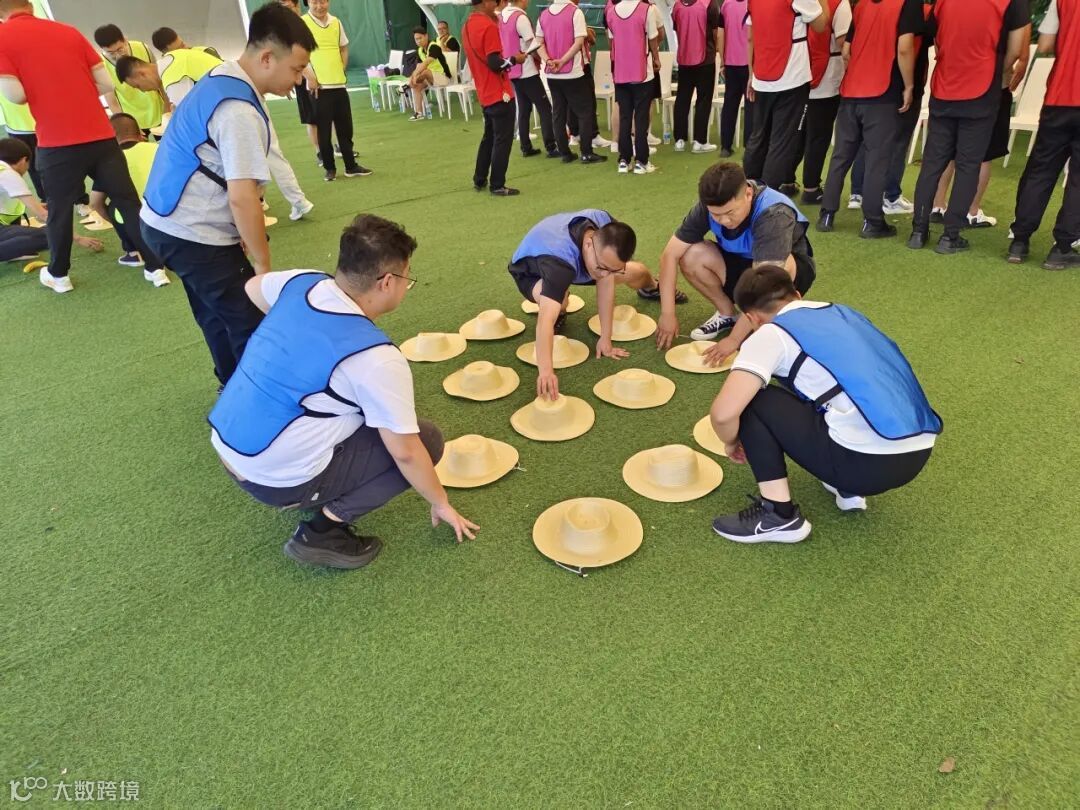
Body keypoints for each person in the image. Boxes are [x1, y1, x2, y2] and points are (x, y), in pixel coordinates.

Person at [209, 214, 478, 569]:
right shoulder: (376, 359)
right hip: (272, 479)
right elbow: (407, 454)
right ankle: (323, 530)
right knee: (426, 441)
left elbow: (253, 289)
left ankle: (309, 485)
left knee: (356, 407)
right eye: (407, 278)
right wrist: (440, 502)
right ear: (387, 282)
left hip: (227, 446)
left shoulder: (301, 282)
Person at [140, 3, 316, 385]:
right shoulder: (238, 109)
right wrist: (263, 267)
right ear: (267, 58)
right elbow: (242, 196)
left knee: (215, 313)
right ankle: (255, 403)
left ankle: (231, 384)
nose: (299, 79)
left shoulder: (223, 75)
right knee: (249, 317)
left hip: (164, 223)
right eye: (297, 69)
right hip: (190, 230)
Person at [708, 264, 941, 543]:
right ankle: (847, 489)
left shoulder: (769, 334)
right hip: (918, 453)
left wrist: (731, 441)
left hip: (866, 464)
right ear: (797, 295)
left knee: (754, 400)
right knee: (821, 385)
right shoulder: (844, 313)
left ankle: (778, 516)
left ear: (751, 318)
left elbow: (723, 414)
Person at [0, 0, 156, 294]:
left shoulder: (3, 37)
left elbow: (15, 95)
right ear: (30, 4)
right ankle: (155, 267)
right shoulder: (68, 31)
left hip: (57, 142)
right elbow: (105, 83)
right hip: (101, 136)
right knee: (127, 201)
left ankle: (59, 275)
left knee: (59, 211)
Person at [117, 52, 315, 223]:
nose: (144, 91)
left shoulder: (174, 79)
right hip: (244, 96)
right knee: (268, 152)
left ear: (141, 73)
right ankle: (295, 202)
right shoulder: (173, 58)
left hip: (236, 107)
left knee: (244, 160)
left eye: (138, 86)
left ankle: (259, 209)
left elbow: (189, 120)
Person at [509, 209, 678, 399]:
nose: (605, 274)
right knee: (557, 304)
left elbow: (606, 282)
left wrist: (606, 338)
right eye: (602, 267)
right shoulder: (559, 265)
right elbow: (544, 321)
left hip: (578, 259)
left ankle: (651, 286)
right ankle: (560, 300)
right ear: (589, 244)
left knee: (636, 272)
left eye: (613, 268)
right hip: (530, 271)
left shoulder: (605, 225)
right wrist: (546, 372)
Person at [655, 162, 816, 361]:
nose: (724, 221)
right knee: (691, 254)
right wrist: (667, 313)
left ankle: (768, 319)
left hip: (781, 278)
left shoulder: (774, 213)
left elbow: (765, 283)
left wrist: (734, 340)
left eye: (730, 212)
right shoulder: (708, 206)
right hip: (743, 264)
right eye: (716, 214)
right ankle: (728, 315)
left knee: (782, 268)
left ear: (748, 193)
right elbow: (670, 254)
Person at [907, 0, 1028, 254]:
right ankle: (950, 236)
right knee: (968, 165)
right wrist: (997, 70)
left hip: (945, 85)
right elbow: (1017, 48)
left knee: (932, 163)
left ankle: (918, 231)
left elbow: (936, 38)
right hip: (982, 89)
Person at [816, 0, 922, 239]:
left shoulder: (862, 5)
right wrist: (909, 85)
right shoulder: (907, 4)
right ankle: (872, 221)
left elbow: (846, 50)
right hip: (883, 93)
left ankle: (827, 215)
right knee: (877, 158)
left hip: (852, 91)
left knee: (841, 156)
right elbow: (905, 48)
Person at [1009, 0, 1079, 270]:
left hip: (1059, 97)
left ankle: (1020, 239)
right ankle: (1063, 246)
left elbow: (1046, 45)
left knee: (1040, 169)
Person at [849, 0, 934, 216]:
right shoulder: (918, 10)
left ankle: (858, 192)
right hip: (897, 84)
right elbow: (908, 47)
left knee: (868, 139)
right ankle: (890, 195)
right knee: (897, 140)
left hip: (870, 83)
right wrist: (910, 86)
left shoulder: (867, 6)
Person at [742, 0, 830, 189]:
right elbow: (821, 24)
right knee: (782, 144)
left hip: (762, 75)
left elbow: (750, 36)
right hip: (792, 77)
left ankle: (748, 191)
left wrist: (751, 73)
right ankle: (767, 196)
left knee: (759, 137)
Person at [85, 114, 168, 286]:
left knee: (114, 206)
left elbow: (95, 203)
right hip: (169, 213)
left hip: (136, 221)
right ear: (140, 133)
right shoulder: (159, 149)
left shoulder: (109, 162)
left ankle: (133, 251)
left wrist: (117, 225)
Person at [0, 137, 103, 261]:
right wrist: (77, 238)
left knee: (44, 234)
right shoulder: (9, 175)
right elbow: (44, 215)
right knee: (54, 236)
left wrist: (37, 206)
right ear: (23, 160)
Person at [301, 0, 372, 181]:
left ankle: (351, 166)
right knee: (324, 132)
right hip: (319, 88)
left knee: (345, 129)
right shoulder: (302, 23)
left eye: (323, 1)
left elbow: (343, 48)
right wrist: (310, 77)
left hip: (339, 85)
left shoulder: (336, 22)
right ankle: (330, 168)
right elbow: (296, 54)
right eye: (315, 2)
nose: (320, 6)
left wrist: (342, 68)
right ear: (308, 2)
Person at [462, 0, 527, 196]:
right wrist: (515, 59)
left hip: (484, 91)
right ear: (486, 2)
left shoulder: (467, 25)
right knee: (502, 140)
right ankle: (497, 184)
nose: (498, 4)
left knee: (489, 137)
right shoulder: (488, 26)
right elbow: (494, 63)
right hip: (500, 92)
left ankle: (479, 178)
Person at [792, 0, 850, 203]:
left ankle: (786, 180)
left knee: (797, 133)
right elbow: (844, 44)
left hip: (800, 74)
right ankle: (811, 187)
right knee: (818, 137)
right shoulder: (839, 4)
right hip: (827, 78)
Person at [536, 0, 607, 164]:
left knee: (558, 114)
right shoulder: (575, 12)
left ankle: (565, 153)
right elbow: (579, 41)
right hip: (573, 73)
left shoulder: (543, 15)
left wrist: (549, 61)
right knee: (585, 112)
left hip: (553, 74)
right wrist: (562, 61)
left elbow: (538, 43)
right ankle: (586, 153)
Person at [606, 0, 662, 174]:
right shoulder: (647, 10)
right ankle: (641, 161)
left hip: (621, 73)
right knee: (641, 118)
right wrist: (656, 58)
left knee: (625, 117)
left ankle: (624, 160)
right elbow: (653, 39)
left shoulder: (611, 12)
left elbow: (611, 41)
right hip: (642, 73)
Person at [501, 0, 559, 158]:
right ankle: (551, 147)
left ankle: (526, 146)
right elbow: (533, 45)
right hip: (526, 71)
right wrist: (546, 60)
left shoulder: (502, 16)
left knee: (524, 108)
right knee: (545, 108)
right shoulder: (520, 18)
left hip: (512, 70)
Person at [93, 24, 166, 134]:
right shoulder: (102, 66)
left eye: (120, 49)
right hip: (134, 121)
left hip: (160, 113)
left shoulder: (142, 48)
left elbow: (160, 78)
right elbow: (112, 103)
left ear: (125, 40)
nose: (118, 56)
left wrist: (167, 111)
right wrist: (128, 126)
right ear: (102, 49)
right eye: (111, 53)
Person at [671, 0, 722, 154]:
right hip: (705, 59)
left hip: (684, 59)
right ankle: (699, 142)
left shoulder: (678, 5)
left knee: (682, 99)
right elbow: (716, 32)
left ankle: (679, 140)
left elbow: (677, 29)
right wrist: (716, 48)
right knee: (703, 100)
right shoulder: (710, 4)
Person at [278, 0, 321, 158]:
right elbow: (287, 57)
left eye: (289, 7)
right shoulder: (282, 30)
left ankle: (336, 147)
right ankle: (320, 152)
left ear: (297, 7)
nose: (286, 11)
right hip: (302, 77)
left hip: (321, 73)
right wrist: (308, 76)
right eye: (282, 8)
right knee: (311, 118)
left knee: (329, 115)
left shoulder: (308, 23)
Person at [718, 0, 750, 157]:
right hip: (749, 63)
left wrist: (722, 60)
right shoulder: (753, 4)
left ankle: (725, 146)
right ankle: (749, 147)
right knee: (751, 106)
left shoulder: (726, 4)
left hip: (731, 63)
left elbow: (720, 34)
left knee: (729, 105)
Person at [0, 94, 43, 199]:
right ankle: (46, 199)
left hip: (43, 123)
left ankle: (77, 199)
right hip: (18, 127)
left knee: (60, 160)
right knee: (32, 166)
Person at [407, 27, 452, 121]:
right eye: (416, 39)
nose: (418, 41)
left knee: (424, 72)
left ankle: (406, 86)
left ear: (426, 36)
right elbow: (418, 67)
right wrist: (412, 77)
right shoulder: (420, 50)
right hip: (431, 78)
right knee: (417, 85)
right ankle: (419, 113)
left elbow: (426, 63)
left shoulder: (434, 47)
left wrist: (415, 76)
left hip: (444, 78)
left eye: (420, 38)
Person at [150, 27, 221, 59]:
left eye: (183, 45)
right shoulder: (163, 69)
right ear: (165, 52)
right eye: (179, 50)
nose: (185, 49)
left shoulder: (206, 52)